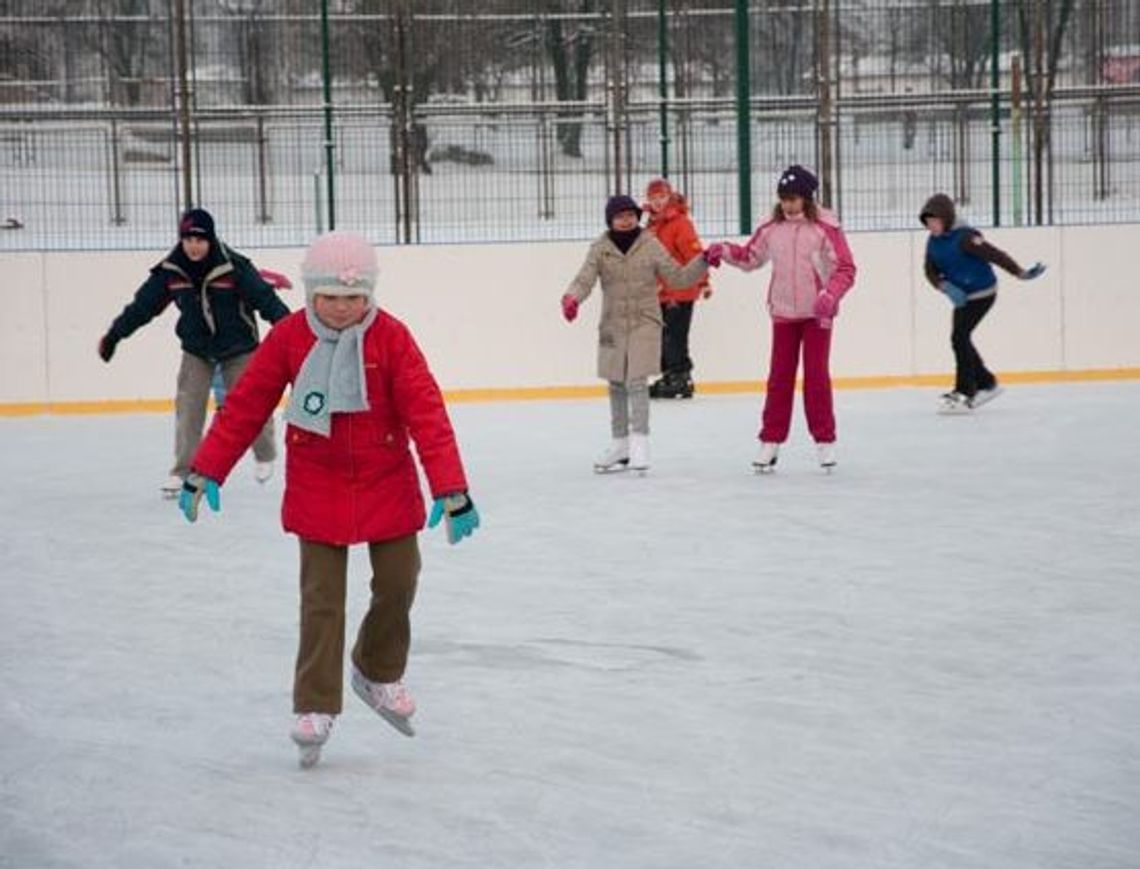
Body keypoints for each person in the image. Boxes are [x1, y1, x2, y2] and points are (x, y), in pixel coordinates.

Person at [178, 230, 480, 768]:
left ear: (370, 296)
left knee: (399, 580)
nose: (342, 309)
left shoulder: (392, 338)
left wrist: (451, 488)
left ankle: (377, 671)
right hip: (318, 484)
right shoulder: (291, 338)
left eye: (354, 298)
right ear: (311, 294)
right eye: (331, 298)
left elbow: (427, 413)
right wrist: (207, 469)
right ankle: (315, 704)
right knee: (321, 600)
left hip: (387, 478)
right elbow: (246, 405)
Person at [97, 208, 290, 497]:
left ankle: (264, 453)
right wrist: (114, 336)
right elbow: (142, 307)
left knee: (251, 403)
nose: (193, 246)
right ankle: (182, 471)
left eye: (199, 239)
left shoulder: (233, 267)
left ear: (210, 240)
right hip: (197, 349)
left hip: (239, 347)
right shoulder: (171, 271)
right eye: (187, 239)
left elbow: (267, 301)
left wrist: (290, 333)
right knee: (189, 408)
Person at [706, 165, 856, 472]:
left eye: (794, 198)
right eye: (784, 198)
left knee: (816, 377)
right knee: (779, 378)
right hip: (784, 312)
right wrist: (723, 250)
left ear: (807, 198)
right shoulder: (771, 228)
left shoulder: (825, 228)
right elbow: (750, 257)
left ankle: (824, 441)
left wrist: (830, 295)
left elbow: (845, 268)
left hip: (818, 313)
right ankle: (770, 441)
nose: (788, 204)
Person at [561, 194, 712, 474]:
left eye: (630, 214)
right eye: (619, 216)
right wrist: (572, 299)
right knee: (616, 382)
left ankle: (640, 442)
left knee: (636, 380)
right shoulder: (600, 249)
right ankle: (621, 444)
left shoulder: (650, 244)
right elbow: (585, 278)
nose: (626, 220)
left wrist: (703, 261)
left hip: (645, 320)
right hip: (613, 322)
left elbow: (677, 277)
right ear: (610, 220)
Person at [919, 193, 1046, 414]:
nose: (932, 226)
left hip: (982, 294)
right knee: (960, 338)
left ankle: (965, 391)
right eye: (928, 222)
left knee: (959, 337)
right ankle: (986, 382)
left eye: (935, 221)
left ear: (946, 218)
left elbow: (995, 255)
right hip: (961, 297)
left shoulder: (966, 238)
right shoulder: (933, 242)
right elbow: (929, 271)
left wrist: (1020, 273)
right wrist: (945, 287)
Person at [642, 177, 712, 400]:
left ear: (669, 197)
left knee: (675, 335)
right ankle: (670, 375)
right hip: (661, 292)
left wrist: (703, 280)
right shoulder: (652, 226)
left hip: (681, 290)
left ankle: (681, 377)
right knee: (662, 335)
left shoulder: (680, 223)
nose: (658, 202)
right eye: (653, 198)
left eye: (662, 197)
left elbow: (694, 254)